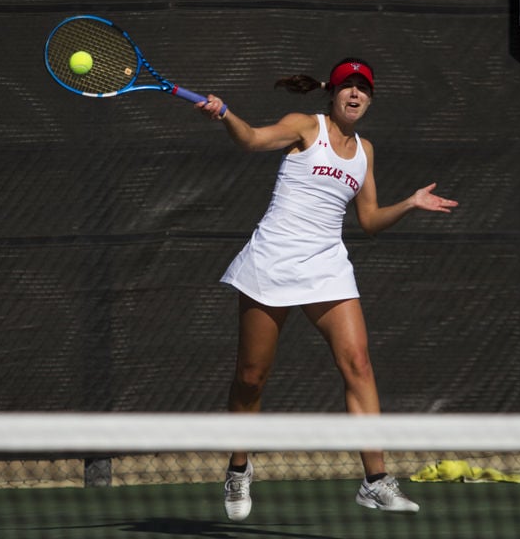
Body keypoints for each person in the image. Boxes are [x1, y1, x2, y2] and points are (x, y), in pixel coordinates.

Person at [195, 58, 458, 522]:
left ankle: (375, 482)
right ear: (331, 94)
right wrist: (226, 115)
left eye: (364, 89)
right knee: (251, 378)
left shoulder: (365, 152)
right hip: (272, 262)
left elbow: (370, 220)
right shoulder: (304, 126)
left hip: (326, 267)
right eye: (347, 88)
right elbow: (253, 139)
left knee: (358, 362)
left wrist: (411, 203)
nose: (355, 95)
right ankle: (238, 467)